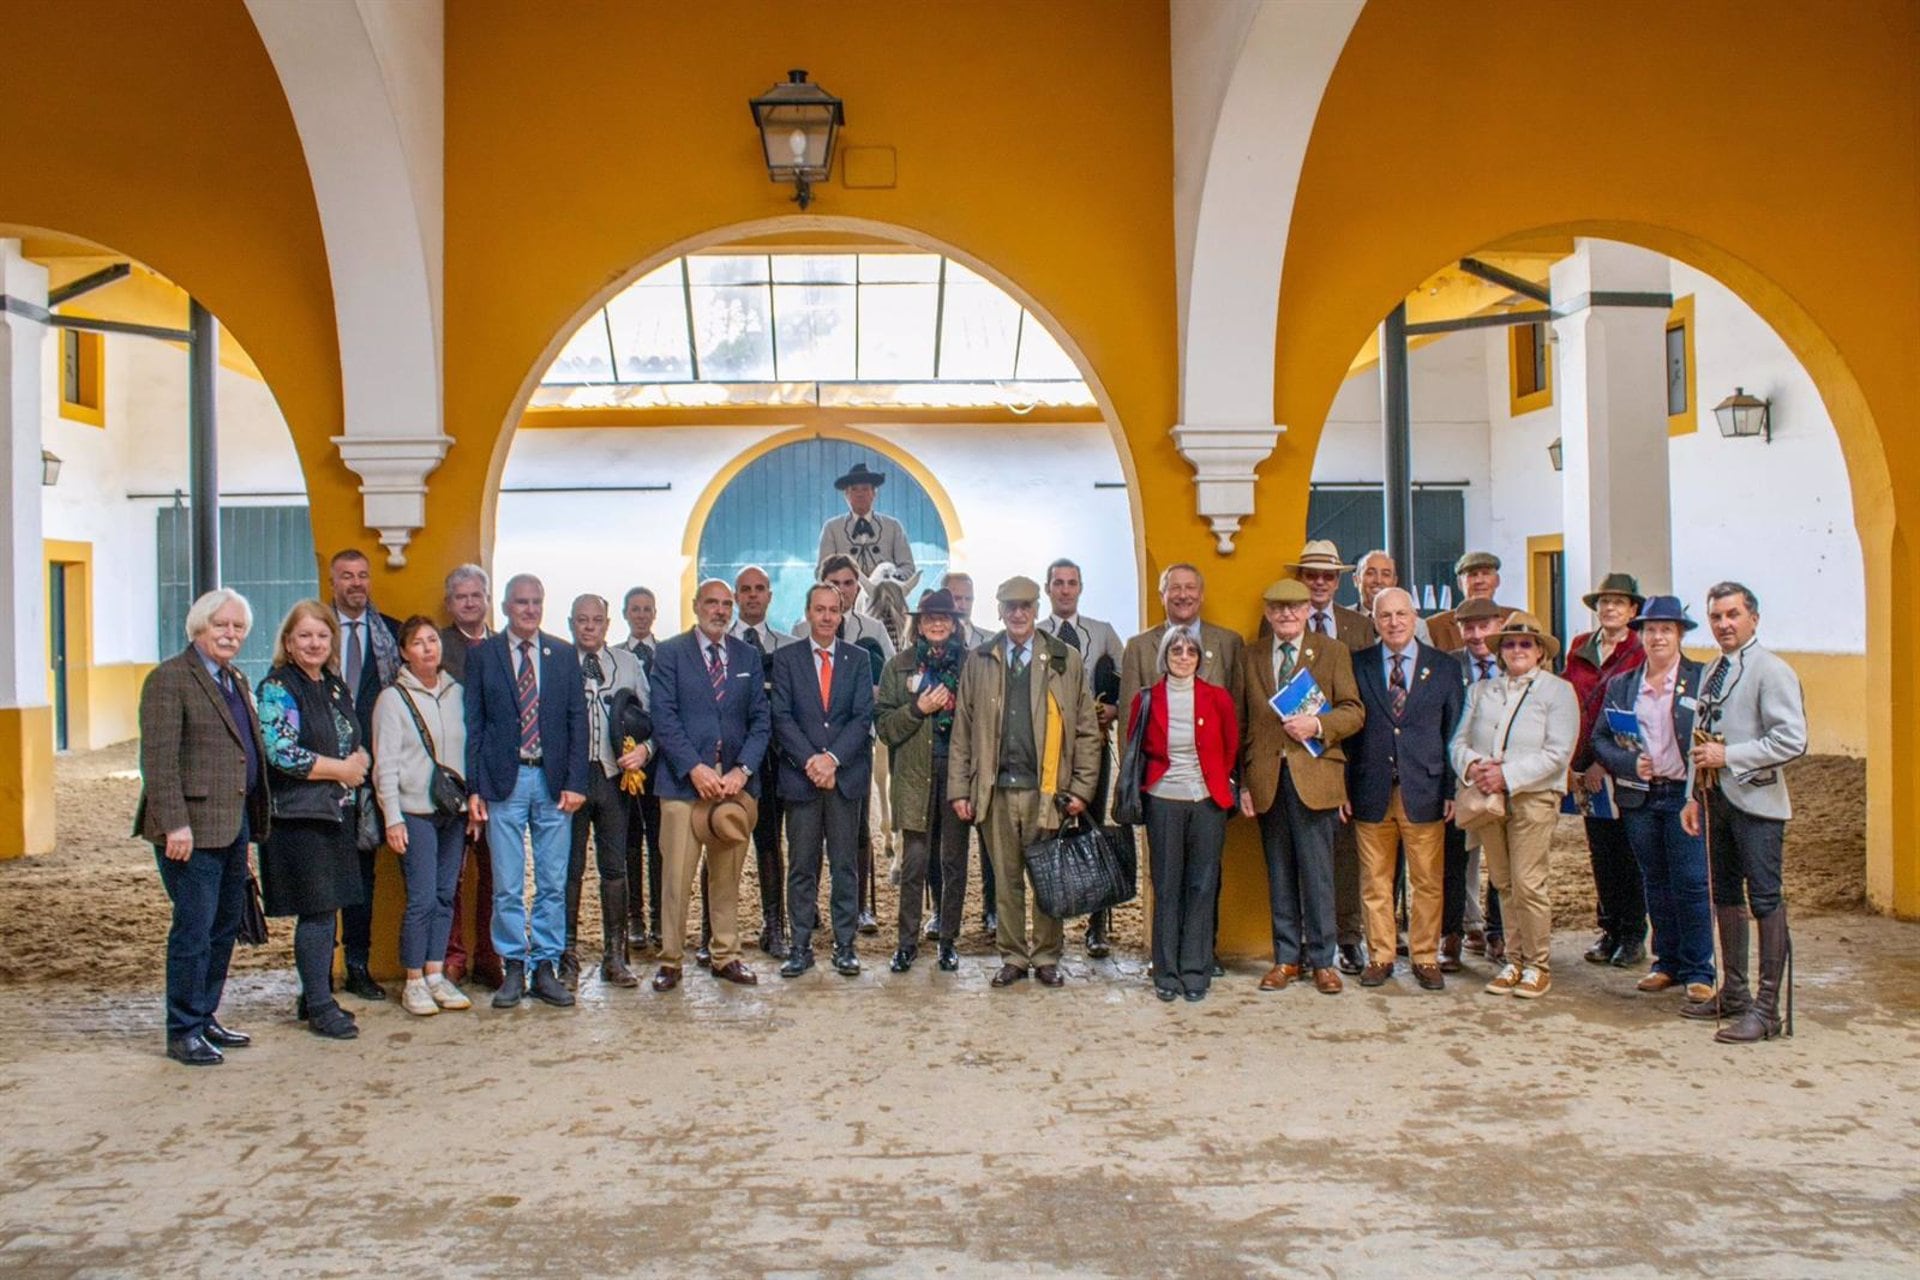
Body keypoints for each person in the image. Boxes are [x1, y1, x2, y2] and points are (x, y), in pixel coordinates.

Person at [136, 588, 274, 1066]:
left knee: (221, 927)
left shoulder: (233, 678)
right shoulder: (169, 679)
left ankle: (205, 1015)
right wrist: (175, 824)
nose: (231, 634)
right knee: (193, 930)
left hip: (231, 824)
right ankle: (183, 1029)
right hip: (189, 831)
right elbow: (158, 762)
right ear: (199, 626)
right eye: (222, 625)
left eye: (238, 627)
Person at [949, 575, 1102, 988]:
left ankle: (1048, 955)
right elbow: (963, 728)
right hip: (996, 789)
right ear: (998, 611)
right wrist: (961, 789)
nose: (1018, 613)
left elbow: (1087, 728)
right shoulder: (980, 659)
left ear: (1037, 609)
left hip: (1047, 790)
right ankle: (1014, 956)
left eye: (1026, 606)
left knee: (1048, 878)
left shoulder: (1062, 658)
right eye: (1010, 606)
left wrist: (1083, 788)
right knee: (1006, 878)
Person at [1680, 582, 1807, 1043]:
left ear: (1753, 618)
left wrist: (1730, 756)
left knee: (1766, 899)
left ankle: (1768, 1009)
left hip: (1758, 803)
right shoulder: (1712, 669)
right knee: (1725, 894)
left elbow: (1791, 739)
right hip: (1716, 800)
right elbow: (1700, 740)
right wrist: (1694, 795)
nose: (1724, 624)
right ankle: (1734, 990)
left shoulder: (1772, 671)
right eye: (1716, 616)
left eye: (1732, 615)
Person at [464, 573, 589, 1010]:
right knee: (508, 883)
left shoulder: (562, 653)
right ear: (505, 606)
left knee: (553, 882)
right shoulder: (484, 656)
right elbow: (475, 725)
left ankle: (546, 966)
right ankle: (514, 965)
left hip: (554, 783)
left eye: (536, 602)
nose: (530, 609)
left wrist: (576, 781)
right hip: (505, 781)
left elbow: (579, 723)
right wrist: (475, 787)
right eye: (521, 602)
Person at [1237, 578, 1364, 996]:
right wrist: (1244, 782)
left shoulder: (1331, 652)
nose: (1286, 615)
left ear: (1309, 610)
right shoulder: (1250, 655)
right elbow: (1242, 725)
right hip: (1268, 780)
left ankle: (1324, 962)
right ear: (1268, 613)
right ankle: (1286, 959)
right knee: (1279, 873)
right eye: (1277, 609)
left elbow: (1354, 712)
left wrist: (1318, 725)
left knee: (1319, 874)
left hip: (1317, 779)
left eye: (1294, 608)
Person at [1589, 596, 1715, 1005]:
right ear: (1639, 635)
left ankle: (1699, 969)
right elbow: (1600, 738)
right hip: (1640, 798)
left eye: (1666, 629)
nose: (1657, 636)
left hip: (1684, 797)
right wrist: (1627, 763)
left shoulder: (1700, 680)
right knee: (1655, 882)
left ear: (1679, 634)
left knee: (1692, 883)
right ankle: (1667, 963)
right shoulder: (1623, 684)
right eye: (1650, 630)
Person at [648, 577, 772, 990]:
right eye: (711, 603)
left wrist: (742, 771)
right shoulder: (669, 654)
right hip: (685, 787)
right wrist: (695, 769)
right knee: (677, 879)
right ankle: (670, 960)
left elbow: (760, 720)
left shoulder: (747, 656)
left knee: (726, 878)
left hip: (733, 790)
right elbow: (663, 718)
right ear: (696, 604)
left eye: (725, 604)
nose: (719, 610)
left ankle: (726, 955)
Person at [256, 601, 372, 1039]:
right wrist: (340, 769)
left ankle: (315, 994)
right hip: (299, 818)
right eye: (304, 636)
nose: (314, 643)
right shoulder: (277, 688)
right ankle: (320, 1007)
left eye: (322, 636)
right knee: (318, 913)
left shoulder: (333, 686)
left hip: (333, 813)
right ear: (288, 641)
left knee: (329, 910)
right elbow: (280, 751)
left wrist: (358, 758)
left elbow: (350, 736)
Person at [1450, 611, 1580, 999]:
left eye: (1526, 644)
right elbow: (1458, 741)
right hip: (1488, 798)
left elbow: (1558, 753)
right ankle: (1514, 958)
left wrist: (1507, 775)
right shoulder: (1482, 691)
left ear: (1540, 650)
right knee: (1503, 881)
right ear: (1500, 651)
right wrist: (1474, 766)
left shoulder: (1558, 692)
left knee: (1528, 882)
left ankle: (1537, 963)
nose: (1518, 650)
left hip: (1534, 796)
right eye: (1510, 644)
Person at [1346, 588, 1463, 990]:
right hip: (1370, 787)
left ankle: (1425, 956)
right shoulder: (1357, 664)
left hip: (1426, 788)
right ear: (1374, 620)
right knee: (1375, 881)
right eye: (1385, 616)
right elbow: (1347, 732)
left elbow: (1454, 733)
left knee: (1427, 881)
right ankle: (1379, 955)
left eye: (1401, 614)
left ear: (1415, 617)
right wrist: (1344, 787)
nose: (1394, 622)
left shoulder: (1444, 667)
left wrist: (1451, 788)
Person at [1125, 630, 1240, 1002]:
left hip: (1207, 801)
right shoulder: (1147, 699)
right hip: (1163, 800)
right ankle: (1166, 971)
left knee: (1202, 886)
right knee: (1167, 885)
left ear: (1199, 658)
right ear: (1164, 655)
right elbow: (1134, 745)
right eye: (1176, 649)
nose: (1184, 656)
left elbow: (1230, 747)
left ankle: (1195, 970)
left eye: (1191, 651)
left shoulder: (1217, 698)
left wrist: (1214, 783)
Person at [772, 583, 876, 978]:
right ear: (808, 613)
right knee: (802, 865)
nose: (828, 616)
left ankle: (845, 945)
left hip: (844, 779)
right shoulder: (787, 659)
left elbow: (861, 717)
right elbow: (781, 716)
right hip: (802, 780)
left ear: (842, 614)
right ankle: (799, 946)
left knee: (845, 865)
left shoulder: (859, 659)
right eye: (820, 609)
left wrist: (832, 760)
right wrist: (811, 762)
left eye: (834, 610)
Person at [372, 616, 474, 1017]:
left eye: (433, 640)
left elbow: (469, 751)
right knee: (421, 898)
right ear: (403, 651)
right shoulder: (392, 700)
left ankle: (436, 973)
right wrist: (393, 817)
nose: (429, 648)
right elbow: (386, 765)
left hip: (453, 811)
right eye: (418, 643)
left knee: (446, 894)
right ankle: (413, 979)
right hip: (414, 811)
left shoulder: (457, 694)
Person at [875, 588, 971, 972]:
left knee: (953, 862)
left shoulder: (971, 665)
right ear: (919, 623)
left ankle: (948, 939)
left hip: (957, 775)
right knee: (914, 863)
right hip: (914, 777)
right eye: (930, 617)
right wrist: (917, 709)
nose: (936, 623)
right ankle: (906, 943)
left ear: (954, 624)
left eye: (944, 617)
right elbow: (885, 727)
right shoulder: (897, 667)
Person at [1038, 557, 1126, 957]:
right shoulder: (1036, 633)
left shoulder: (1104, 633)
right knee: (1048, 831)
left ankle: (1097, 927)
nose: (1065, 589)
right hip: (1048, 749)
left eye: (1071, 582)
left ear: (1081, 587)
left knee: (1093, 826)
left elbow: (1130, 679)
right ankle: (1051, 921)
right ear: (1048, 589)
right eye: (1058, 583)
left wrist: (1116, 708)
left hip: (1092, 743)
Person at [562, 594, 650, 989]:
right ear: (571, 623)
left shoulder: (628, 665)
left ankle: (615, 955)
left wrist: (646, 752)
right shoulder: (559, 664)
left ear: (608, 623)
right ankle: (566, 954)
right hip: (572, 780)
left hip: (615, 778)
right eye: (582, 620)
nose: (590, 627)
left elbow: (652, 718)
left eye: (597, 620)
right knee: (569, 869)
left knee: (615, 867)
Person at [1565, 572, 1650, 970]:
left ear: (1633, 610)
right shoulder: (1581, 647)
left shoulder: (1639, 650)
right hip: (1584, 764)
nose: (1610, 608)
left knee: (1629, 849)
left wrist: (1605, 759)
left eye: (1619, 602)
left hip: (1623, 762)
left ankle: (1633, 934)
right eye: (1604, 602)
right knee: (1600, 849)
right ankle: (1609, 927)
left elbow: (1637, 711)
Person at [327, 548, 402, 1003]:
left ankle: (358, 964)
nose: (356, 583)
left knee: (362, 876)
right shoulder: (314, 631)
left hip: (371, 775)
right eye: (346, 576)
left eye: (362, 575)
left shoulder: (390, 635)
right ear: (333, 582)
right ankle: (316, 977)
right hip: (321, 773)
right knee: (321, 878)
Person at [730, 565, 798, 956]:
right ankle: (713, 930)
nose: (753, 596)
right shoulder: (720, 644)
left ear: (769, 596)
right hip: (731, 762)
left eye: (759, 589)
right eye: (745, 590)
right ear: (737, 597)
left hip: (776, 761)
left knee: (771, 843)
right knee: (721, 840)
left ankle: (774, 925)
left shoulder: (788, 647)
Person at [436, 563, 497, 988]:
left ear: (488, 599)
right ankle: (452, 955)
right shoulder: (436, 648)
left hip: (498, 778)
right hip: (449, 779)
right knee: (450, 875)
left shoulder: (505, 646)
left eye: (477, 595)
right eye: (462, 597)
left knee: (498, 874)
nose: (470, 603)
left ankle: (491, 956)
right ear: (450, 602)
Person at [1443, 598, 1509, 965]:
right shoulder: (1447, 665)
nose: (1477, 634)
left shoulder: (1515, 662)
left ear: (1499, 624)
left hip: (1504, 777)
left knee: (1501, 860)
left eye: (1484, 626)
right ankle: (1451, 933)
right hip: (1458, 776)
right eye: (1469, 627)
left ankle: (1497, 933)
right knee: (1453, 859)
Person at [1119, 563, 1245, 720]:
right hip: (1158, 744)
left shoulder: (1230, 643)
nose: (1183, 595)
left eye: (1190, 587)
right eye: (1175, 588)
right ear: (1161, 596)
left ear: (1201, 595)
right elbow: (1128, 715)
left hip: (1213, 744)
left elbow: (1238, 712)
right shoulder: (1138, 647)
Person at [618, 585, 665, 950]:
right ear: (625, 614)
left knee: (660, 842)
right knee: (630, 841)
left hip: (661, 762)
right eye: (635, 609)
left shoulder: (668, 655)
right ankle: (634, 917)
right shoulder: (615, 657)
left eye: (647, 609)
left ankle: (660, 917)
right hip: (624, 765)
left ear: (654, 614)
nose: (641, 615)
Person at [818, 460, 915, 578]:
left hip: (884, 593)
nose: (860, 494)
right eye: (854, 489)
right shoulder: (832, 528)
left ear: (874, 493)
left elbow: (908, 567)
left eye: (865, 489)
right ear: (846, 495)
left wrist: (892, 579)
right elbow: (821, 571)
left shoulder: (893, 526)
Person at [1286, 540, 1376, 650]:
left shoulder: (1362, 626)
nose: (1320, 582)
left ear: (1337, 582)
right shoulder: (1280, 621)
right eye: (1311, 575)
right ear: (1299, 579)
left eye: (1328, 576)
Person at [1424, 551, 1518, 654]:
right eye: (1472, 575)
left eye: (1486, 573)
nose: (1479, 581)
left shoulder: (1515, 618)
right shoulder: (1435, 626)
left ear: (1497, 580)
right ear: (1459, 583)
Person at [1353, 549, 1431, 643]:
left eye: (1386, 574)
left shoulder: (1417, 626)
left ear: (1394, 582)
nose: (1378, 580)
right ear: (1356, 580)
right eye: (1370, 573)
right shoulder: (1339, 620)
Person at [941, 571, 990, 648]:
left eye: (968, 599)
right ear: (942, 600)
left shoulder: (992, 641)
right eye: (957, 598)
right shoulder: (931, 640)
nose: (963, 605)